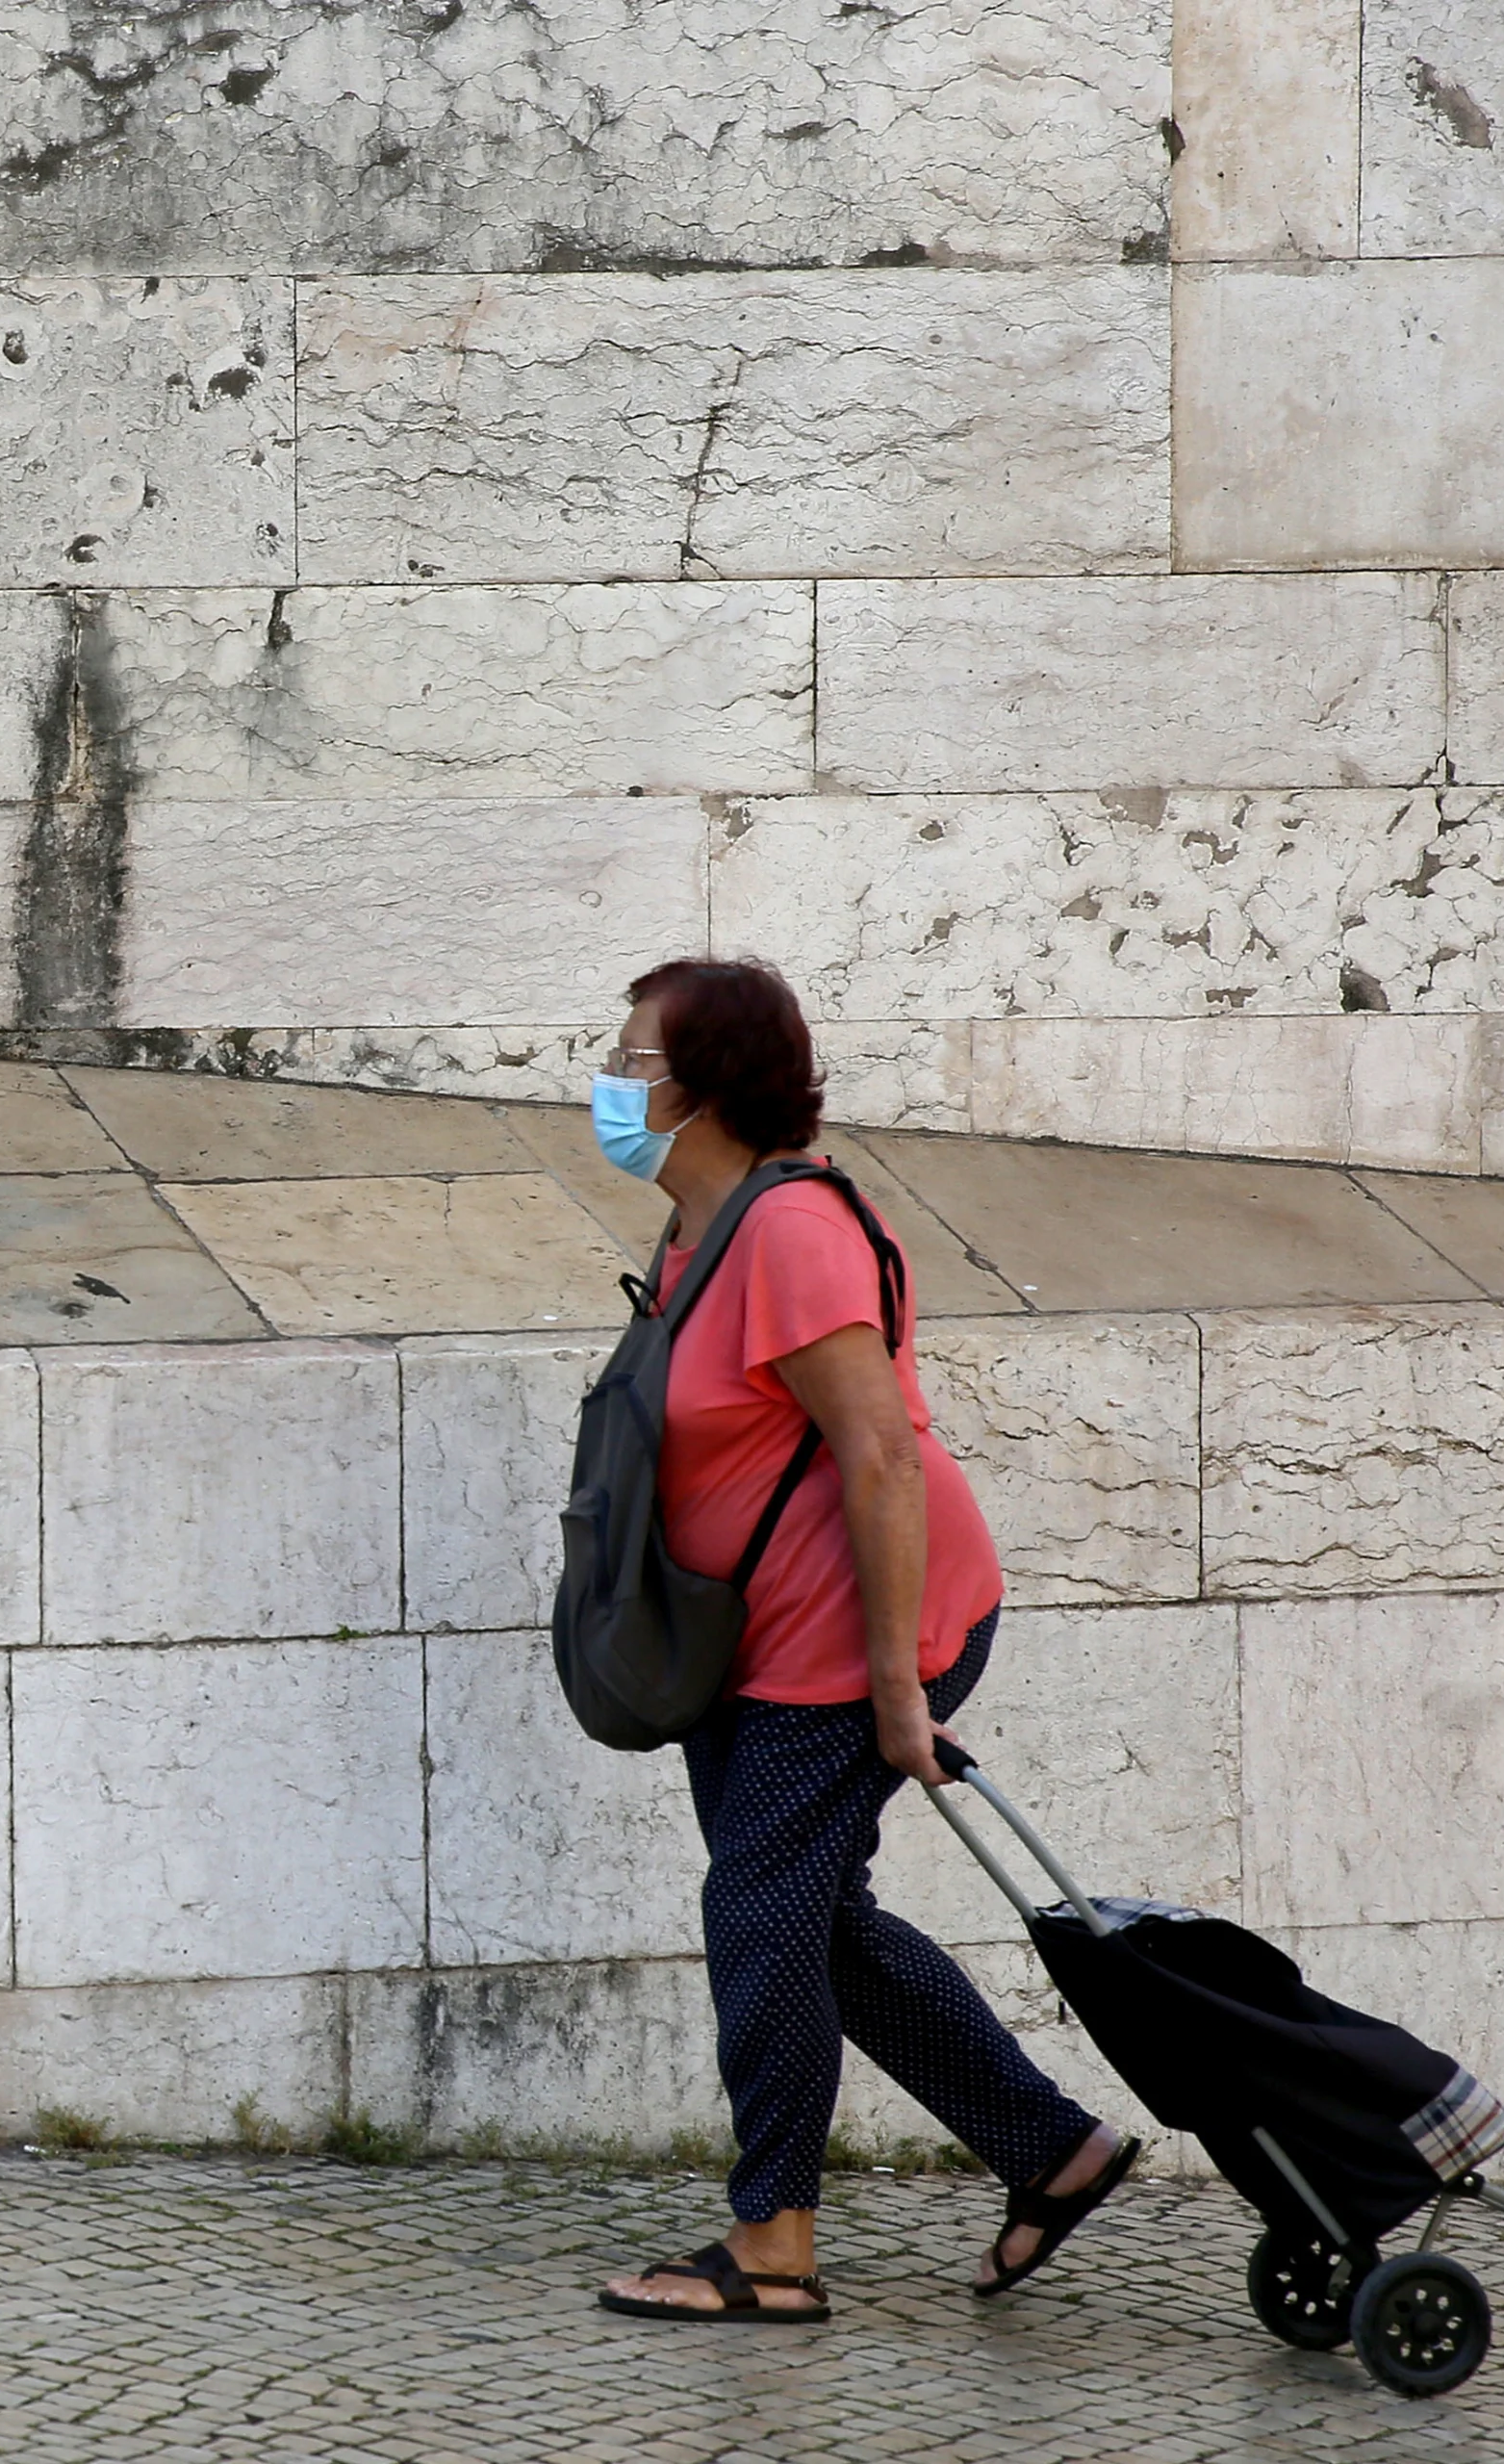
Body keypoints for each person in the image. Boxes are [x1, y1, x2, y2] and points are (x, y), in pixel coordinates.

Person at [589, 959, 1138, 2323]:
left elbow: (880, 1455)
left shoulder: (792, 1230)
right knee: (814, 1921)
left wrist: (897, 1687)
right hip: (754, 1643)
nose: (606, 1084)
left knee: (759, 1911)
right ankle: (1049, 2151)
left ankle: (774, 2246)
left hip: (852, 1639)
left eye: (631, 1062)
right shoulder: (700, 1232)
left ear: (708, 1087)